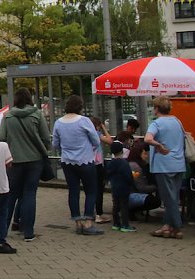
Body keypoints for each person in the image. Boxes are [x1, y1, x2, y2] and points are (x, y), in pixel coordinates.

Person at [0, 88, 51, 243]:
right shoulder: (37, 114)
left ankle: (3, 232)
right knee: (29, 195)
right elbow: (46, 138)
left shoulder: (7, 116)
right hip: (34, 161)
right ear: (30, 99)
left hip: (14, 161)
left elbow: (2, 137)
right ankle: (28, 232)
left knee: (11, 195)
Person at [52, 95, 102, 236]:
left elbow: (55, 144)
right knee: (91, 191)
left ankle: (77, 222)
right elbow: (96, 141)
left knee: (73, 191)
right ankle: (88, 223)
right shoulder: (84, 121)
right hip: (85, 160)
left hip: (67, 161)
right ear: (80, 107)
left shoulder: (59, 123)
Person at [144, 96, 186, 239]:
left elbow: (147, 139)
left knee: (169, 198)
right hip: (179, 164)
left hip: (163, 165)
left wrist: (158, 145)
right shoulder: (177, 121)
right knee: (173, 196)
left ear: (156, 109)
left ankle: (178, 228)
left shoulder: (157, 123)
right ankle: (167, 227)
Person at [0, 120, 16, 254]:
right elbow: (9, 163)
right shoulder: (3, 146)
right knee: (3, 213)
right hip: (2, 184)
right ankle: (0, 240)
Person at [106, 141, 136, 233]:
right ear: (122, 151)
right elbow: (128, 177)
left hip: (115, 187)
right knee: (124, 207)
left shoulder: (110, 164)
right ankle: (125, 225)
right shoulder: (124, 164)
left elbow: (107, 174)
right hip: (124, 188)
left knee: (115, 206)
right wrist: (132, 181)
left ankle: (116, 223)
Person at [126, 141, 161, 219]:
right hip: (130, 195)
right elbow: (141, 187)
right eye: (144, 154)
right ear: (139, 155)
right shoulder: (135, 167)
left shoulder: (132, 164)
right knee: (155, 201)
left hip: (128, 194)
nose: (147, 156)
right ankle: (130, 210)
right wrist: (156, 187)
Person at [90, 116, 113, 224]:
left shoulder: (86, 134)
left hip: (88, 163)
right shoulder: (96, 134)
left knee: (91, 189)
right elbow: (110, 141)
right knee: (99, 189)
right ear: (98, 125)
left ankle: (90, 212)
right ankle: (98, 214)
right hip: (98, 164)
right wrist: (104, 128)